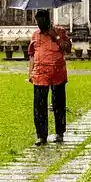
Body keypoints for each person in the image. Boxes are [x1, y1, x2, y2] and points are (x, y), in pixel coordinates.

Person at [27, 9, 71, 146]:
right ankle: (41, 136)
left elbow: (68, 48)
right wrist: (30, 73)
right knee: (39, 106)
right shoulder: (35, 35)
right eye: (38, 22)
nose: (40, 25)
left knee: (59, 104)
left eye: (42, 21)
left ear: (48, 20)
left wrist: (56, 37)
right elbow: (32, 55)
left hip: (57, 73)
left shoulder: (60, 31)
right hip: (40, 73)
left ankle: (59, 133)